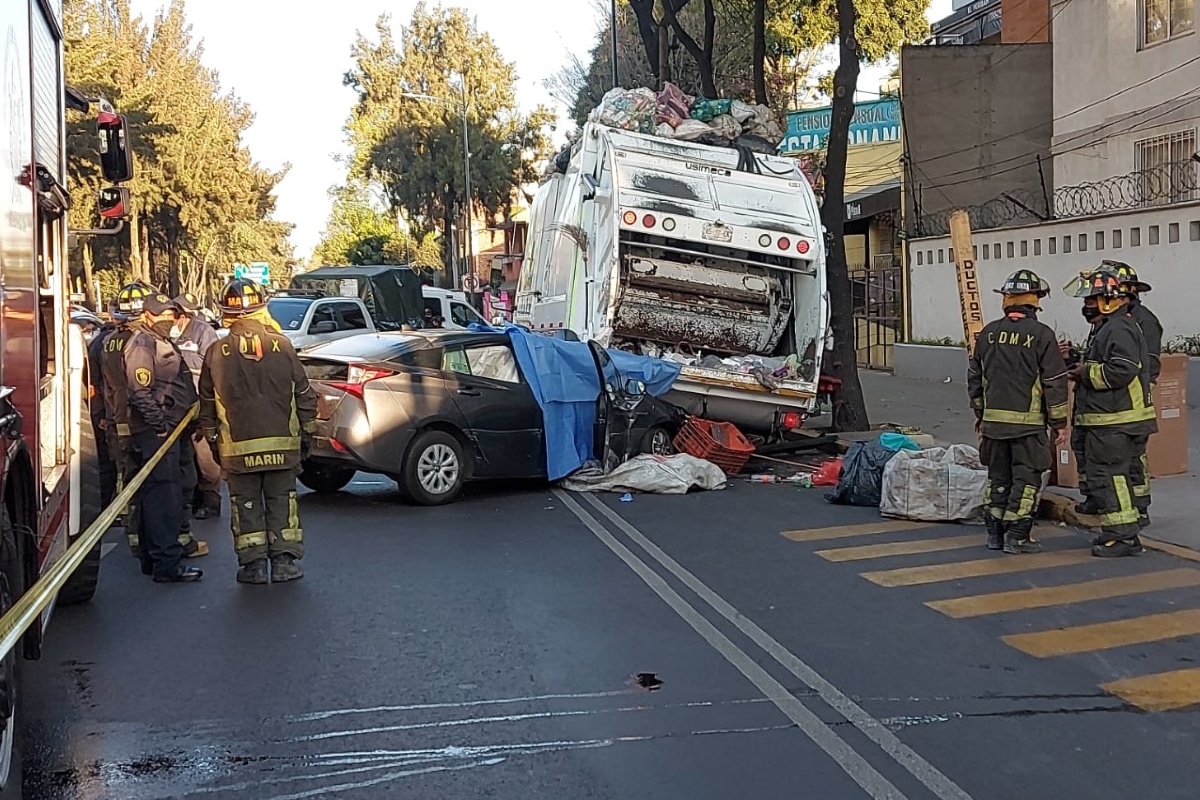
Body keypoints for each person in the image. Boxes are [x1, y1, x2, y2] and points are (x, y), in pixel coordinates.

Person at [200, 279, 317, 585]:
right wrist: (308, 433)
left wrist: (213, 440)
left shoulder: (215, 351)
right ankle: (284, 563)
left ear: (225, 313)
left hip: (237, 450)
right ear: (263, 307)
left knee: (246, 505)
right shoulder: (284, 346)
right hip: (283, 446)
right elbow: (304, 393)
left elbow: (207, 403)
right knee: (282, 501)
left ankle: (253, 567)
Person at [967, 269, 1069, 554]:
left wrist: (980, 414)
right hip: (1028, 427)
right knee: (1025, 481)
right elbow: (1054, 383)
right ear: (1034, 301)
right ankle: (1017, 536)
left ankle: (994, 535)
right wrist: (1060, 423)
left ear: (1006, 300)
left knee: (998, 479)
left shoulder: (988, 333)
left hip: (993, 427)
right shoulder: (1041, 335)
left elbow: (975, 378)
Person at [1068, 267, 1156, 558]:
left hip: (1114, 422)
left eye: (1091, 300)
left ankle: (1122, 537)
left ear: (1107, 300)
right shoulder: (1112, 327)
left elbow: (1122, 369)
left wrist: (1085, 372)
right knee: (1118, 475)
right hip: (1118, 421)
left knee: (1109, 476)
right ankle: (1126, 531)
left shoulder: (1118, 328)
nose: (1086, 306)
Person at [125, 293, 203, 583]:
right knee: (163, 498)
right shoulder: (142, 344)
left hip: (172, 429)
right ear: (147, 316)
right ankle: (167, 564)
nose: (167, 319)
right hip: (157, 433)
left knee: (161, 494)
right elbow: (139, 391)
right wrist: (159, 425)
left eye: (170, 313)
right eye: (161, 315)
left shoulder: (160, 341)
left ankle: (154, 558)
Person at [1105, 261, 1161, 530]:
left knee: (1133, 459)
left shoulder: (1142, 321)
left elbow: (1146, 364)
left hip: (1133, 404)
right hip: (1119, 405)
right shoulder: (1115, 319)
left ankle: (1140, 508)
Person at [102, 282, 153, 557]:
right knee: (150, 480)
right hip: (141, 420)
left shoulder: (109, 342)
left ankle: (132, 532)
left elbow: (108, 386)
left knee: (127, 475)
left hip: (118, 419)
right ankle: (146, 536)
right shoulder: (142, 343)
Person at [173, 292, 223, 521]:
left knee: (205, 460)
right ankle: (191, 500)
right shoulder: (167, 336)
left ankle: (211, 501)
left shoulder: (204, 333)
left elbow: (215, 373)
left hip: (200, 407)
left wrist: (210, 412)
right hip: (176, 408)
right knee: (185, 460)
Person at [87, 314, 118, 510]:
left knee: (106, 461)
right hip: (112, 410)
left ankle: (106, 505)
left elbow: (92, 383)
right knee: (111, 461)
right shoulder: (108, 344)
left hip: (103, 409)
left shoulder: (96, 343)